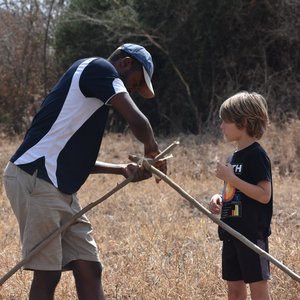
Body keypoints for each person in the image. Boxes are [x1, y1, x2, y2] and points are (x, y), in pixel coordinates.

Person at [3, 43, 167, 300]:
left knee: (89, 267)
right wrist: (153, 152)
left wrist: (121, 169)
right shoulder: (98, 68)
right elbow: (137, 120)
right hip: (35, 178)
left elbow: (73, 159)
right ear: (125, 63)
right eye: (136, 83)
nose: (133, 91)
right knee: (48, 272)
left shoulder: (92, 101)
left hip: (57, 187)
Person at [209, 91, 273, 300]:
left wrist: (232, 179)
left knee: (258, 291)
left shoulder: (257, 155)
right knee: (234, 292)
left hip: (251, 235)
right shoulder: (233, 156)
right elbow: (235, 191)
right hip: (231, 232)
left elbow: (264, 195)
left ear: (243, 121)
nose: (221, 126)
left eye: (225, 121)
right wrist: (219, 199)